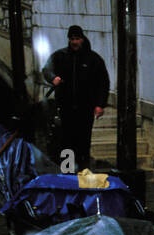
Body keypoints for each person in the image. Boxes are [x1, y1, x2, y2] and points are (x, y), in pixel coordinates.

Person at [43, 24, 110, 170]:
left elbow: (103, 83)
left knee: (83, 141)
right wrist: (53, 78)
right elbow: (46, 70)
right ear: (69, 39)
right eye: (72, 39)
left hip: (85, 109)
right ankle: (67, 171)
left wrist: (100, 105)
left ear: (82, 39)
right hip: (65, 108)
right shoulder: (60, 56)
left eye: (77, 39)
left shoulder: (94, 59)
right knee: (66, 141)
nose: (74, 42)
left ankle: (82, 170)